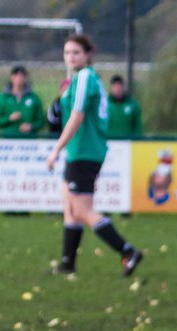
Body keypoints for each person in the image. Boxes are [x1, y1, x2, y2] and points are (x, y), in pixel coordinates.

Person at [44, 34, 142, 277]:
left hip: (85, 151)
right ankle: (68, 263)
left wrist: (56, 149)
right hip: (81, 150)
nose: (70, 57)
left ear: (87, 55)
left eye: (76, 52)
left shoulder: (85, 76)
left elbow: (77, 116)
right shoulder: (79, 78)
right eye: (67, 53)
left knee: (81, 209)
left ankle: (127, 251)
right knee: (69, 204)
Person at [0, 65, 45, 137]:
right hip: (9, 141)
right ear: (11, 77)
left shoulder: (34, 98)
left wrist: (31, 126)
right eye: (16, 76)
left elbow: (41, 120)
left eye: (22, 76)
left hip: (30, 141)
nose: (19, 78)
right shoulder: (2, 98)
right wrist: (9, 118)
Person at [106, 75, 143, 139]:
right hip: (109, 141)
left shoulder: (132, 104)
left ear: (123, 87)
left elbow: (138, 126)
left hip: (128, 143)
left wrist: (138, 139)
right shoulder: (105, 104)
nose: (117, 88)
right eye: (115, 86)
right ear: (111, 87)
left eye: (119, 86)